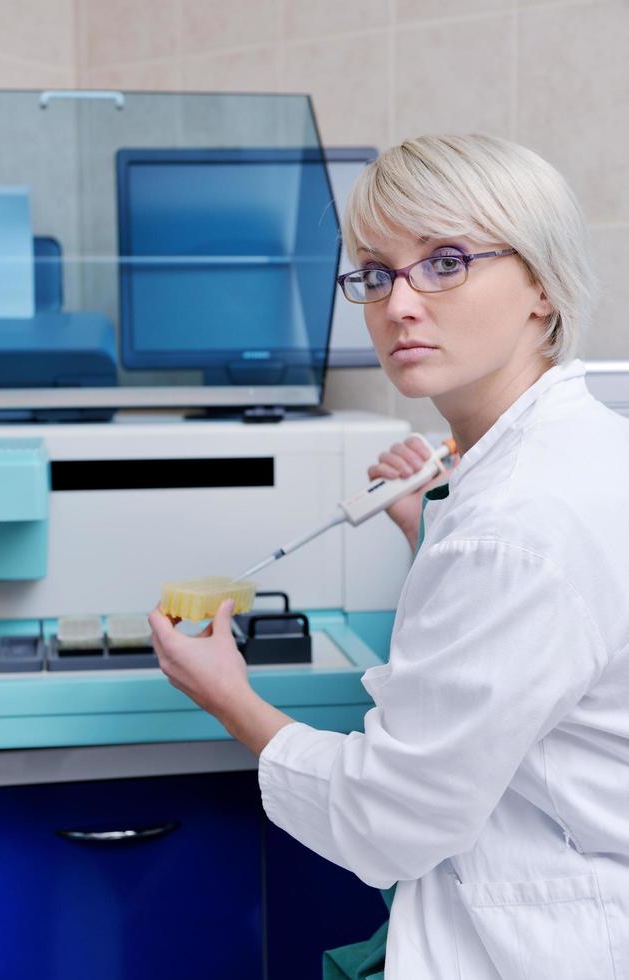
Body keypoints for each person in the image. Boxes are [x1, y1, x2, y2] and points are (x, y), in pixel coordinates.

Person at [149, 134, 629, 979]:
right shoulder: (580, 453)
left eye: (445, 262)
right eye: (375, 273)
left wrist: (232, 700)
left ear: (544, 287)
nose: (399, 304)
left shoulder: (515, 523)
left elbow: (389, 817)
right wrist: (425, 527)